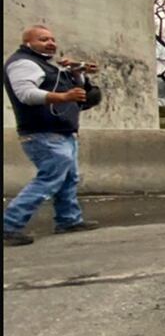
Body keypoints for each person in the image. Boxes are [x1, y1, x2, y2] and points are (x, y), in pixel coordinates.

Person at [3, 25, 101, 246]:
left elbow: (83, 94)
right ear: (28, 43)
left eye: (52, 39)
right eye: (43, 39)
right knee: (48, 179)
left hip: (62, 132)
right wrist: (64, 96)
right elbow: (26, 94)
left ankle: (68, 220)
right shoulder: (23, 63)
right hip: (42, 133)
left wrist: (77, 71)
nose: (50, 43)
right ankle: (9, 225)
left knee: (68, 178)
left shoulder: (47, 66)